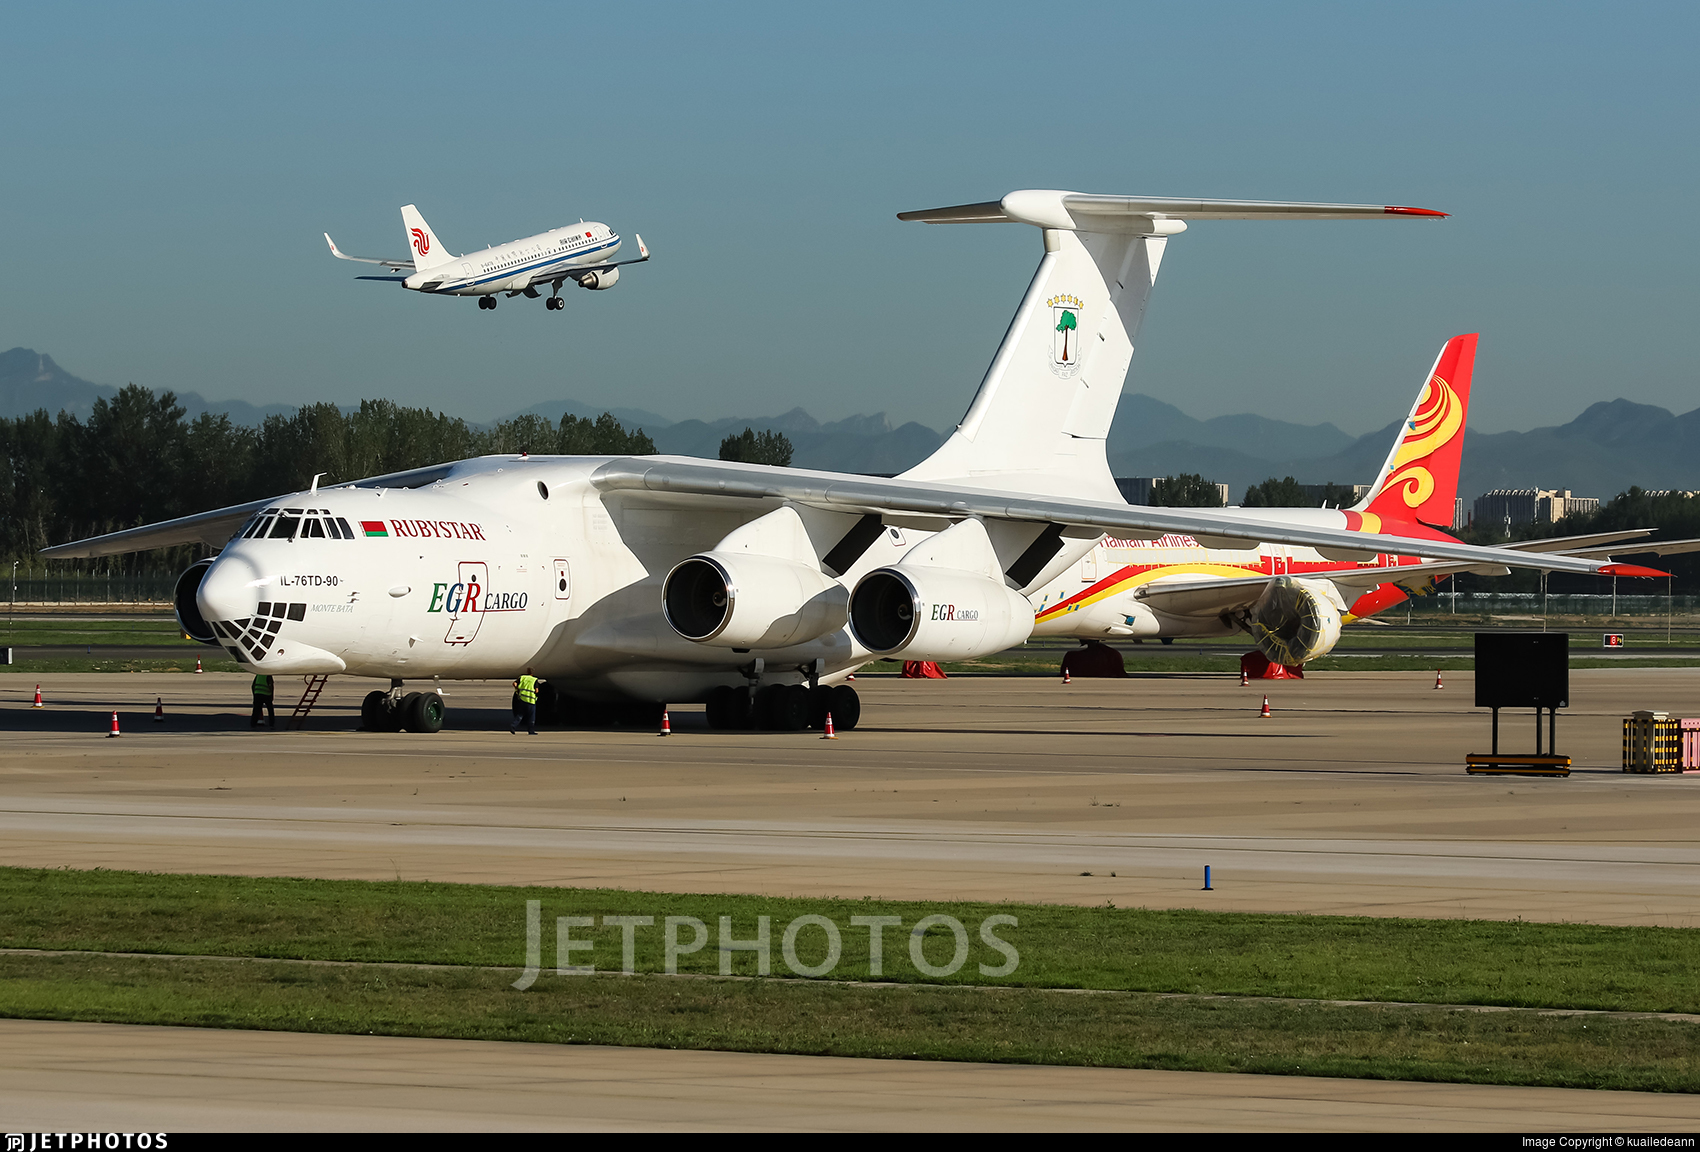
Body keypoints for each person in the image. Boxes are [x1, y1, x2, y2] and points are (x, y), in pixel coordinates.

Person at [511, 667, 539, 735]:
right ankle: (531, 731)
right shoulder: (534, 679)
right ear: (532, 673)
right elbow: (536, 690)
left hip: (522, 699)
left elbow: (514, 683)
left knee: (520, 715)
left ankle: (513, 725)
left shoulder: (522, 677)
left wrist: (517, 688)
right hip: (531, 701)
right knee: (531, 717)